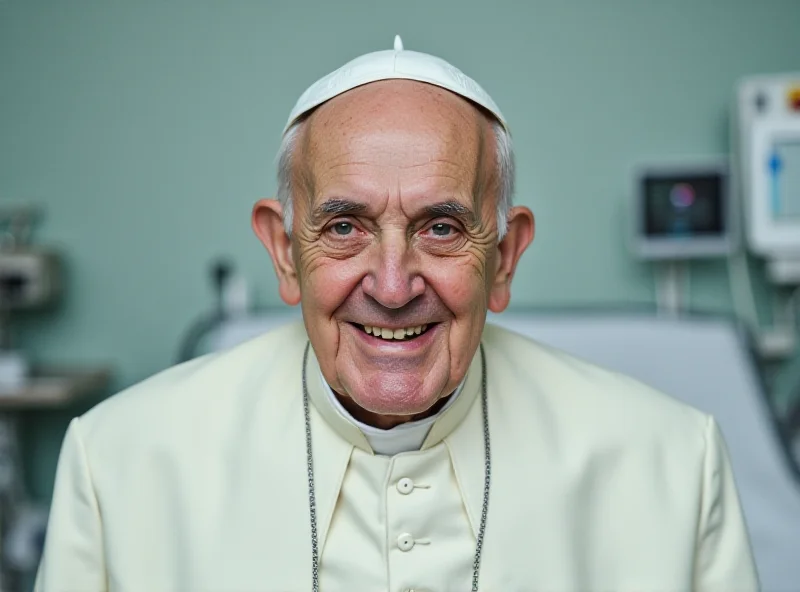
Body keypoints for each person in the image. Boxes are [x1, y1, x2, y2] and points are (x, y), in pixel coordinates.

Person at [35, 37, 759, 592]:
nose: (390, 284)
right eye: (344, 226)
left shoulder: (673, 463)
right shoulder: (119, 463)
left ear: (504, 257)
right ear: (285, 252)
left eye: (440, 227)